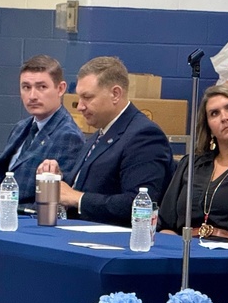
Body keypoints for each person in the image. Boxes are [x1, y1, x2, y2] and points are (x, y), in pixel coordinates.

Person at [37, 56, 172, 225]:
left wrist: (78, 199)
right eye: (79, 98)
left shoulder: (144, 136)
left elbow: (138, 204)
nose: (80, 106)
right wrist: (59, 181)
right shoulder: (97, 135)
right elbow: (85, 188)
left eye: (87, 97)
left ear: (115, 94)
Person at [158, 84, 228, 248]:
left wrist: (224, 256)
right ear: (209, 127)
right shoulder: (190, 164)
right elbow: (165, 226)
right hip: (183, 254)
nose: (224, 117)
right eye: (214, 113)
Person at [0, 55, 84, 206]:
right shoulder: (21, 127)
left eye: (41, 87)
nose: (32, 96)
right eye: (26, 87)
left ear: (60, 89)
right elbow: (2, 175)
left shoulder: (68, 136)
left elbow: (56, 200)